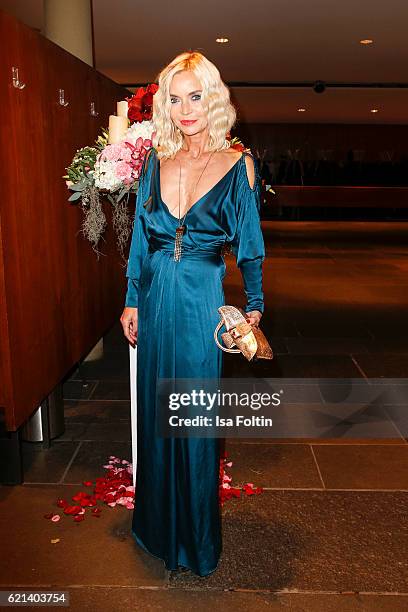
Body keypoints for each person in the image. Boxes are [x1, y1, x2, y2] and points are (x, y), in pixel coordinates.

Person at [120, 51, 265, 576]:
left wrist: (254, 306)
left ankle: (196, 541)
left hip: (204, 294)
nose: (185, 109)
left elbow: (250, 245)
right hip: (157, 295)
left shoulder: (238, 165)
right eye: (175, 99)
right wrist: (132, 296)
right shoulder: (154, 162)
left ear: (214, 99)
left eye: (195, 96)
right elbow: (140, 235)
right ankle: (155, 528)